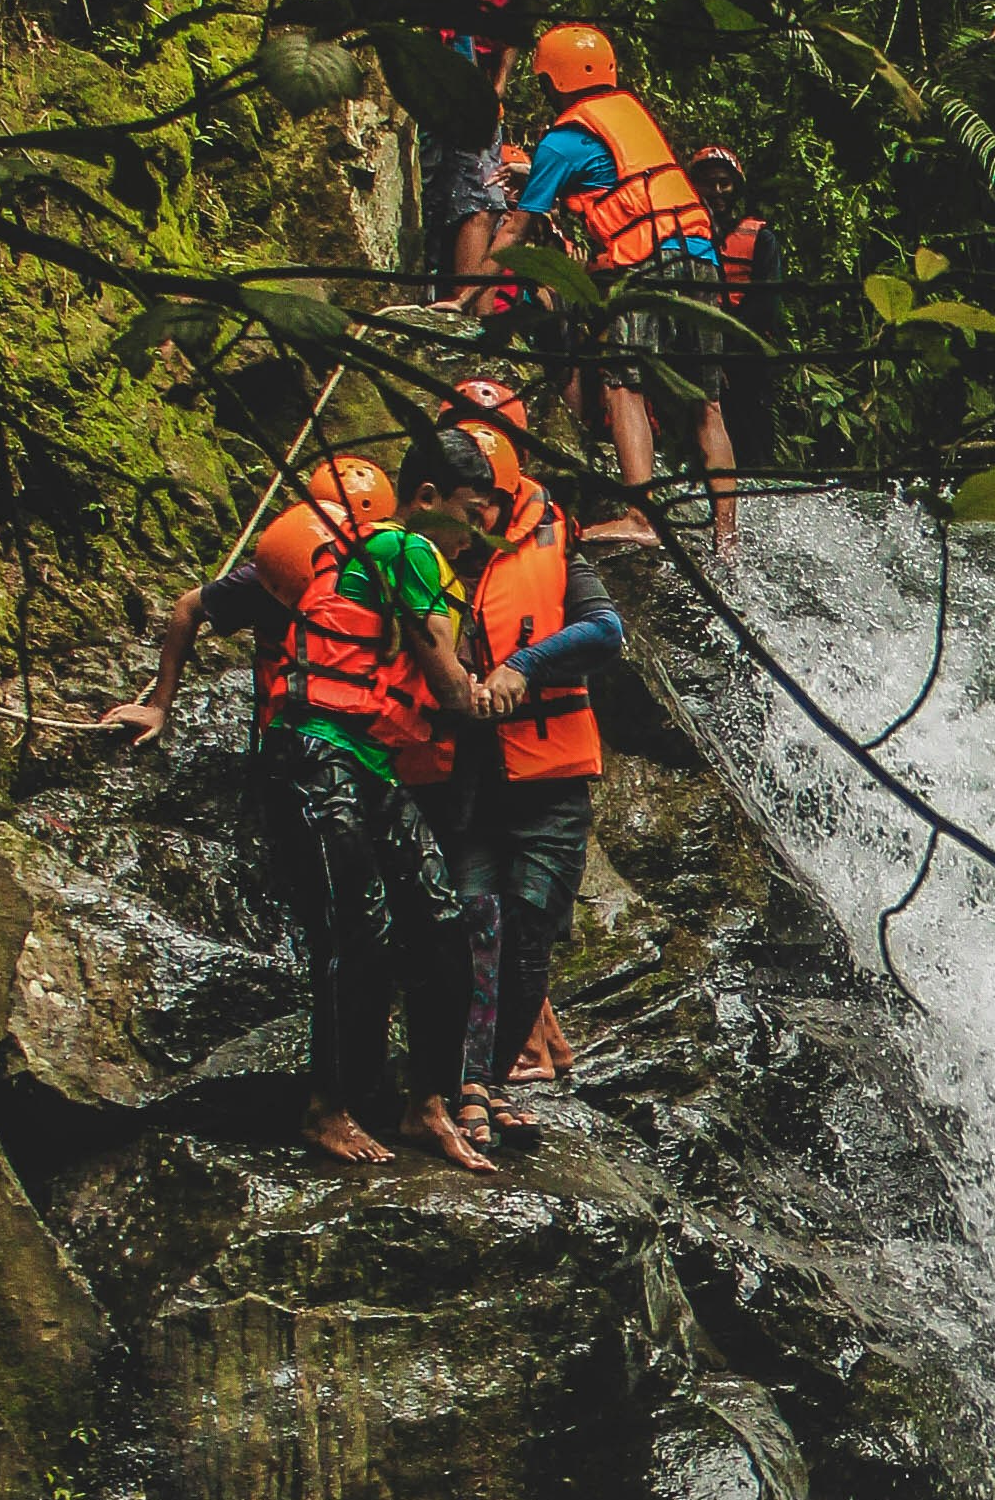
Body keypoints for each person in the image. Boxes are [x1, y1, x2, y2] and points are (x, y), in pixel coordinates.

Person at [252, 434, 507, 1171]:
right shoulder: (404, 550)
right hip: (313, 752)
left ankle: (426, 1103)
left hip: (363, 761)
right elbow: (449, 682)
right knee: (357, 931)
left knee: (441, 924)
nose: (473, 535)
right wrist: (482, 695)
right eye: (468, 514)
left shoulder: (406, 557)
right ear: (426, 499)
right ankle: (325, 1108)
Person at [400, 380, 625, 1148]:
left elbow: (603, 631)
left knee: (529, 931)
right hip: (455, 773)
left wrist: (526, 664)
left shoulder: (550, 530)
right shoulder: (415, 539)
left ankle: (483, 1081)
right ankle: (464, 1084)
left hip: (545, 771)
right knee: (470, 923)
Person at [490, 24, 737, 547]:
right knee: (706, 404)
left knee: (624, 383)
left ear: (551, 80)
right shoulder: (630, 115)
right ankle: (727, 538)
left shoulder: (564, 136)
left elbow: (518, 227)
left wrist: (468, 298)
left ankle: (641, 519)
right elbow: (606, 173)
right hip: (699, 257)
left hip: (645, 263)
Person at [99, 455, 395, 745]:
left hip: (363, 735)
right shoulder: (271, 575)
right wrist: (158, 706)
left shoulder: (384, 575)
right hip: (290, 730)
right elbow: (189, 608)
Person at [379, 0, 509, 298]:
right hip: (413, 57)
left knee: (470, 181)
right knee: (425, 184)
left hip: (454, 58)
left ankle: (459, 304)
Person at [689, 143, 784, 475]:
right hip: (697, 357)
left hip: (746, 359)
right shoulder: (684, 238)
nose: (717, 192)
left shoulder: (761, 238)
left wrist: (727, 348)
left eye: (724, 183)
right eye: (709, 183)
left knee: (753, 445)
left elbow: (765, 302)